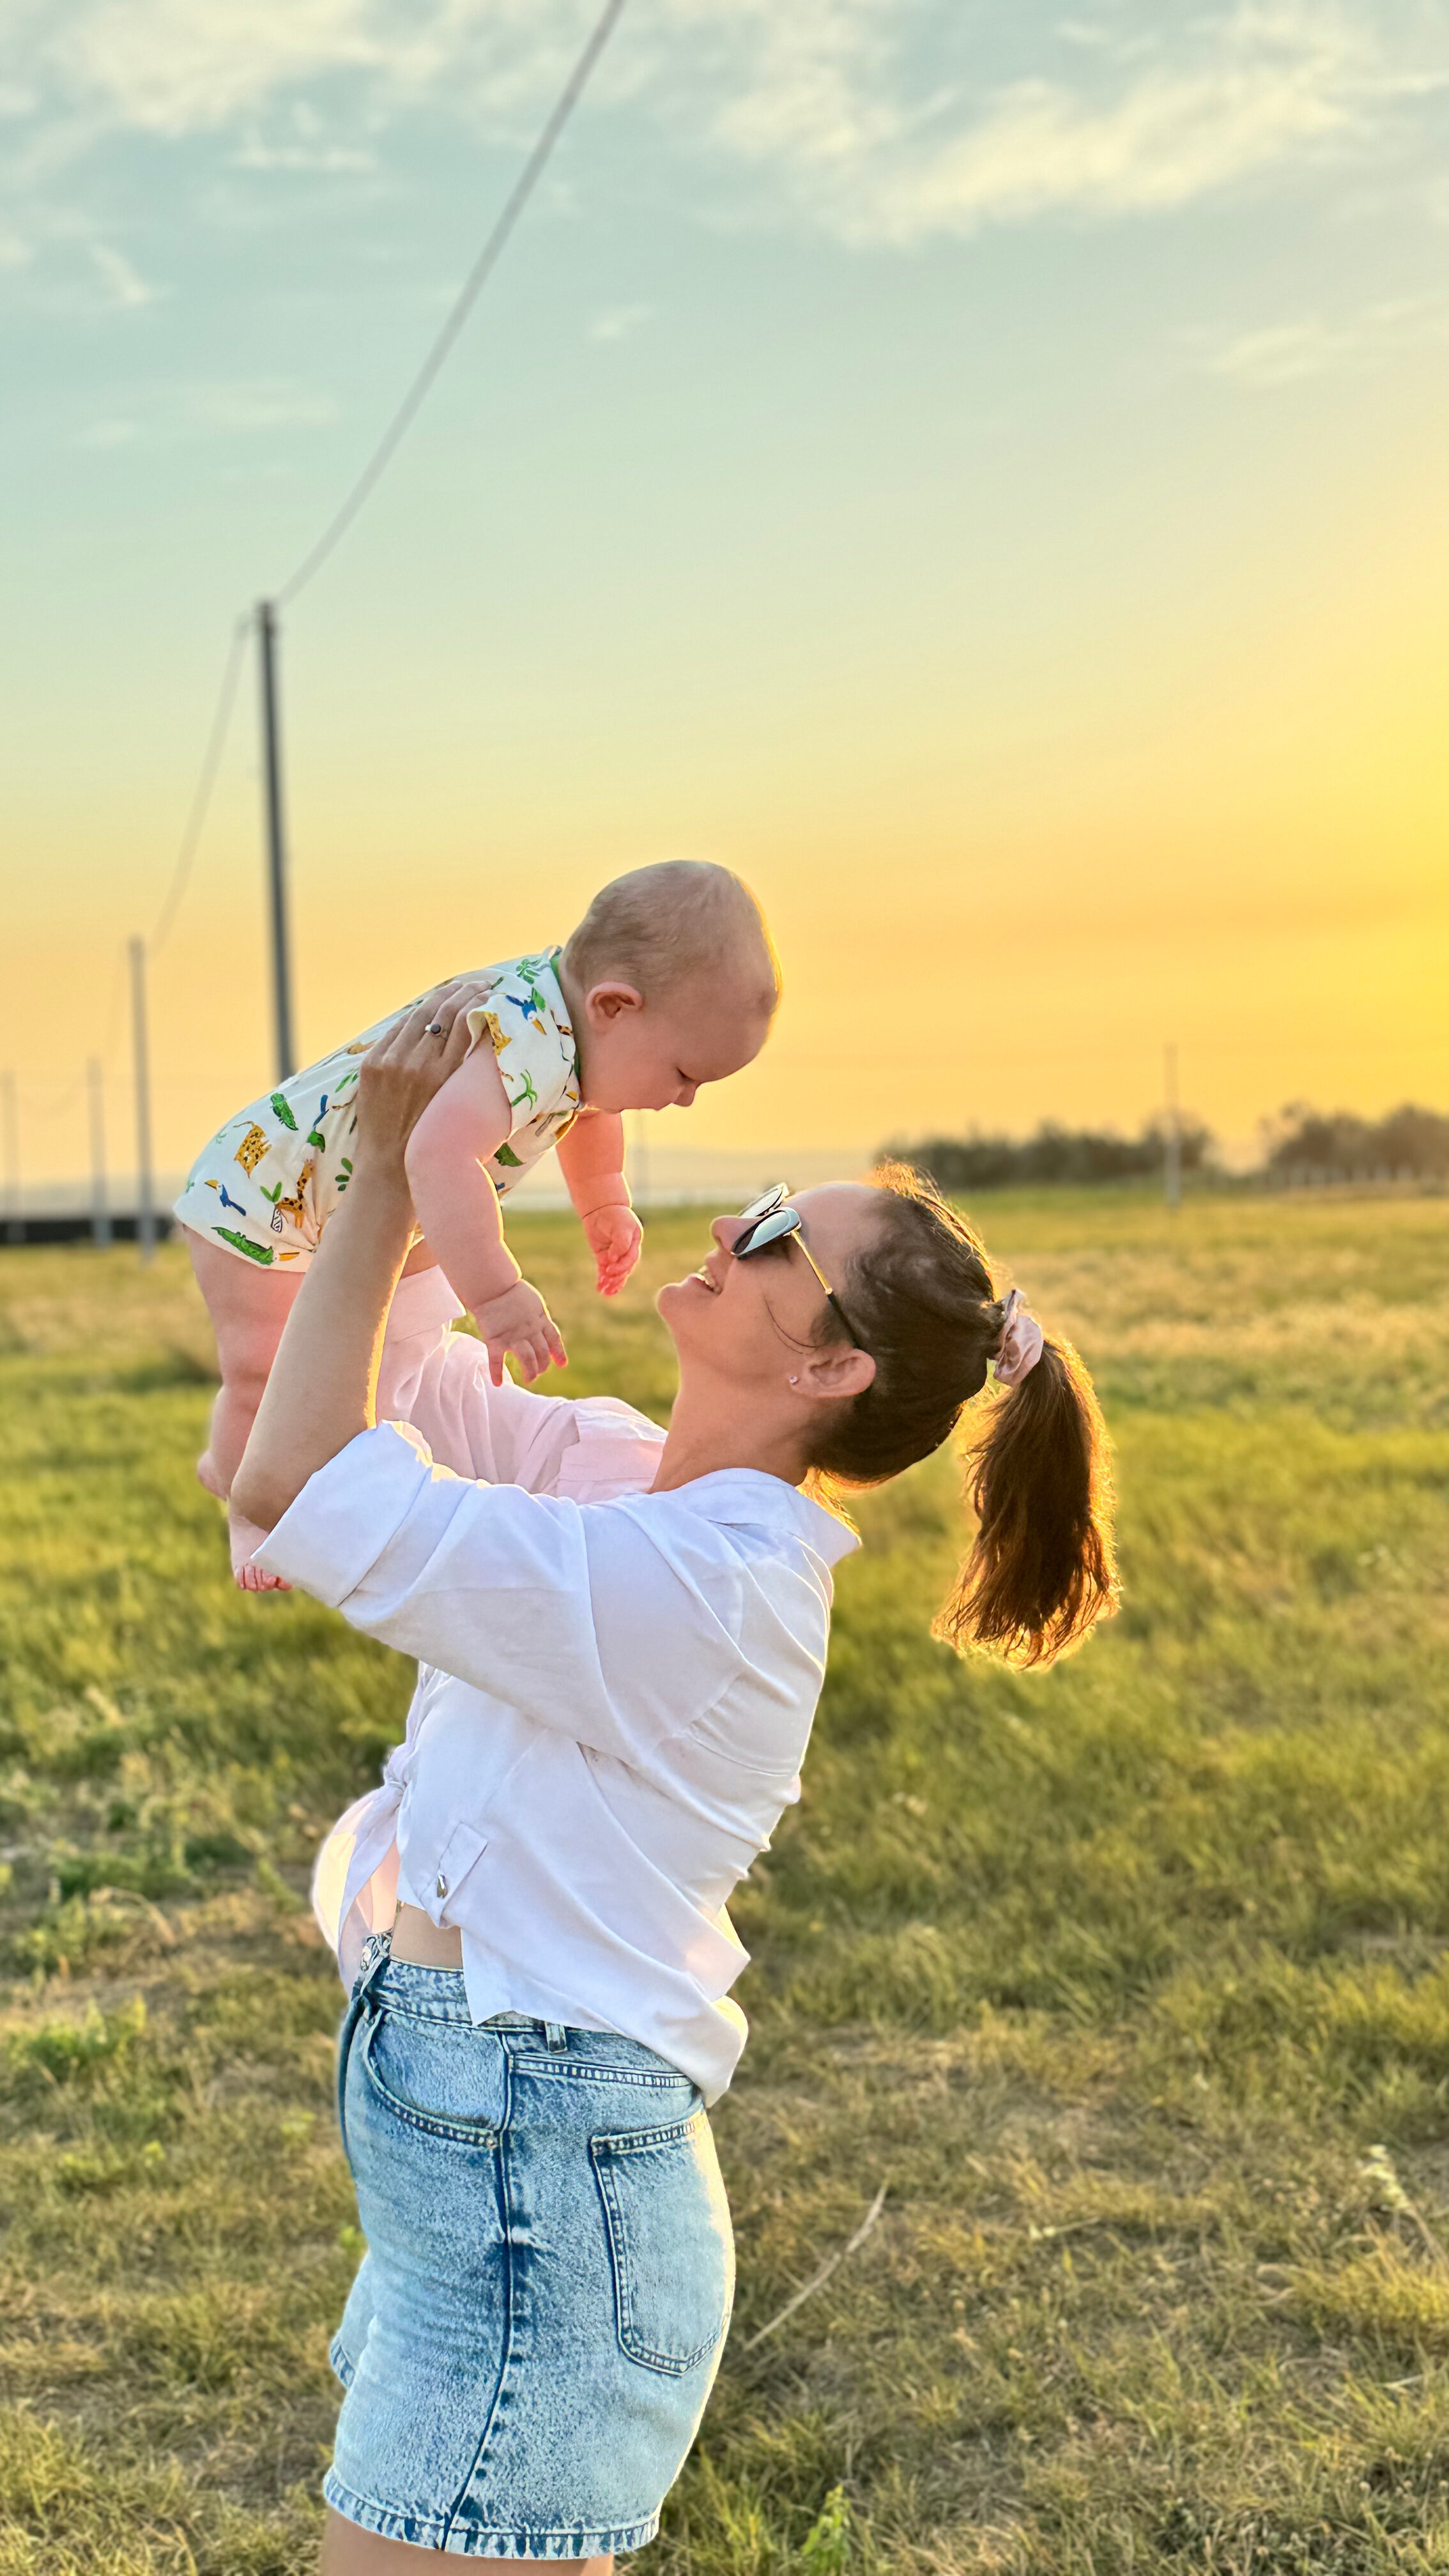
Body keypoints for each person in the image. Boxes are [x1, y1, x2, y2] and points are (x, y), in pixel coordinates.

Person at [231, 986, 1117, 2572]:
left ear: (836, 1374)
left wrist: (381, 1186)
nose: (734, 1223)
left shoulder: (712, 1583)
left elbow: (300, 1474)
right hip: (486, 2164)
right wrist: (459, 1137)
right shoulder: (623, 1475)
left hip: (544, 2197)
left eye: (779, 1234)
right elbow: (392, 1373)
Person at [174, 861, 779, 1585]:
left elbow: (592, 1107)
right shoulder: (523, 1039)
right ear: (616, 1006)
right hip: (263, 1198)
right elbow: (434, 1153)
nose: (684, 1099)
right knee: (266, 1370)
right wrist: (498, 1296)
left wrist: (605, 1200)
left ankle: (326, 1467)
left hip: (360, 1207)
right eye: (685, 1074)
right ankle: (248, 1501)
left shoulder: (579, 1029)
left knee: (390, 1356)